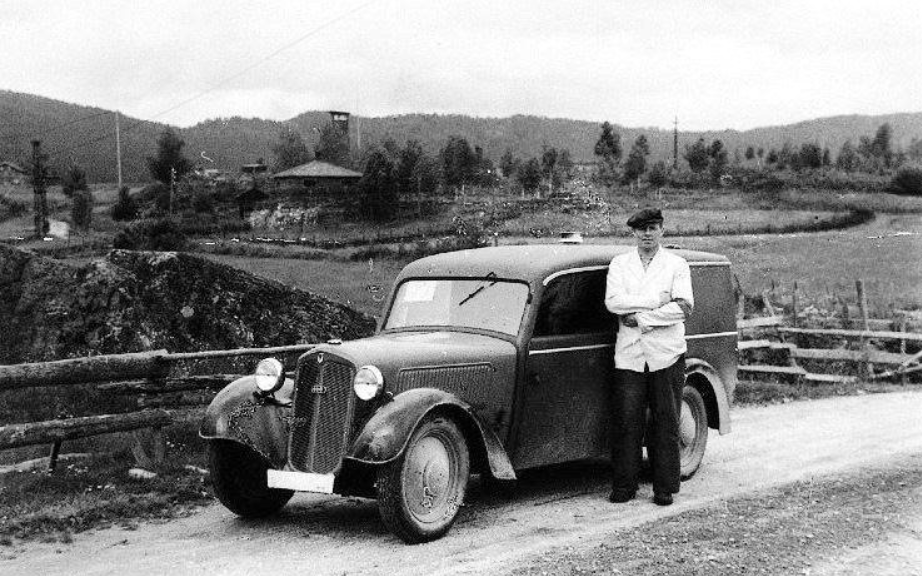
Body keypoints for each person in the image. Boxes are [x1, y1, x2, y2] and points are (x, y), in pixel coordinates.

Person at [604, 208, 694, 506]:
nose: (647, 234)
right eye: (641, 229)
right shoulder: (620, 264)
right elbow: (614, 303)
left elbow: (683, 307)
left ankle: (664, 488)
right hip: (629, 355)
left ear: (662, 231)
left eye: (652, 228)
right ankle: (624, 486)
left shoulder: (676, 265)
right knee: (627, 421)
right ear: (633, 233)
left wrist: (641, 318)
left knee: (665, 421)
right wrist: (656, 301)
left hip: (666, 354)